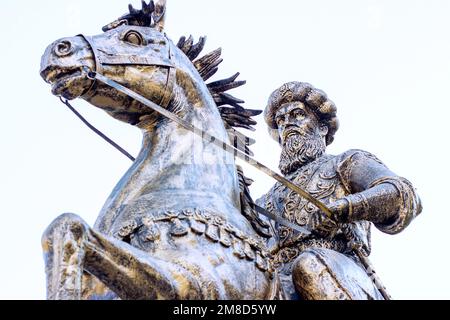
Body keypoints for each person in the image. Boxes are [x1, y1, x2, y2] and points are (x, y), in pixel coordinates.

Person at [256, 82, 422, 300]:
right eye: (281, 120)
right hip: (277, 279)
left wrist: (345, 208)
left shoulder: (344, 163)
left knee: (309, 266)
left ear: (322, 128)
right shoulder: (262, 201)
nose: (288, 124)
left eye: (298, 115)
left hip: (334, 268)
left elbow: (403, 195)